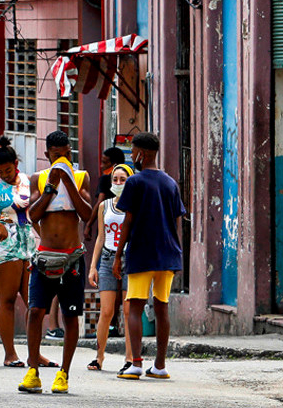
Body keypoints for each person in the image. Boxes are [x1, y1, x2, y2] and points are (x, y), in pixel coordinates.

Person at [19, 131, 93, 395]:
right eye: (56, 154)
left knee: (70, 316)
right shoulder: (37, 179)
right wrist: (50, 187)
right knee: (36, 312)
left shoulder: (81, 176)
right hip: (45, 257)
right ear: (47, 153)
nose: (61, 157)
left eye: (65, 153)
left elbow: (87, 214)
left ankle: (64, 372)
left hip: (71, 258)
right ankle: (33, 369)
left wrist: (69, 182)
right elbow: (32, 215)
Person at [0, 137, 53, 369]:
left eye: (8, 170)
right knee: (7, 300)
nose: (5, 174)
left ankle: (35, 354)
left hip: (28, 244)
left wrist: (43, 238)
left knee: (33, 303)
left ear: (16, 163)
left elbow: (34, 212)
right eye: (0, 171)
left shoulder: (28, 181)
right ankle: (10, 353)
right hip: (4, 246)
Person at [113, 132, 186, 381]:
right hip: (168, 255)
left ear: (141, 154)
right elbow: (178, 221)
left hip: (142, 252)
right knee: (162, 308)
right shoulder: (170, 183)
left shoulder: (135, 182)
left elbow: (128, 221)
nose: (131, 156)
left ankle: (135, 363)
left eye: (132, 152)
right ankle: (160, 365)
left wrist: (117, 256)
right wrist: (178, 256)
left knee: (135, 306)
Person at [87, 163, 136, 372]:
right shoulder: (104, 206)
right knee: (106, 310)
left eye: (122, 179)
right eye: (114, 179)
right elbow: (100, 237)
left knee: (127, 310)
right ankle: (99, 356)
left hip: (129, 258)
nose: (117, 183)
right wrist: (93, 266)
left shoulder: (135, 205)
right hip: (107, 258)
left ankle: (130, 358)